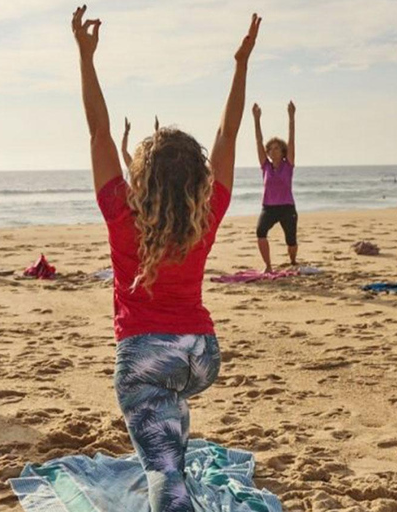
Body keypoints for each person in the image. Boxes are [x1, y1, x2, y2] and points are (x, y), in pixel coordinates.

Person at [72, 6, 260, 511]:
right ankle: (169, 436)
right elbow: (228, 134)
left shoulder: (120, 211)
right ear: (194, 176)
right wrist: (240, 66)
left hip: (145, 358)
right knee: (169, 408)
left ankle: (169, 475)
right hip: (201, 355)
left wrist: (85, 58)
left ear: (142, 176)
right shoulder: (206, 211)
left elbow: (98, 132)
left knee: (164, 472)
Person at [252, 101, 297, 273]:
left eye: (276, 148)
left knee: (291, 240)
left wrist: (291, 118)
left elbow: (292, 140)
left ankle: (293, 261)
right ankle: (268, 266)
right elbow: (258, 140)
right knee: (260, 231)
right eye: (270, 149)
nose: (272, 151)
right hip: (269, 207)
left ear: (283, 151)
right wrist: (256, 119)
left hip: (287, 207)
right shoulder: (266, 166)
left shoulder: (288, 164)